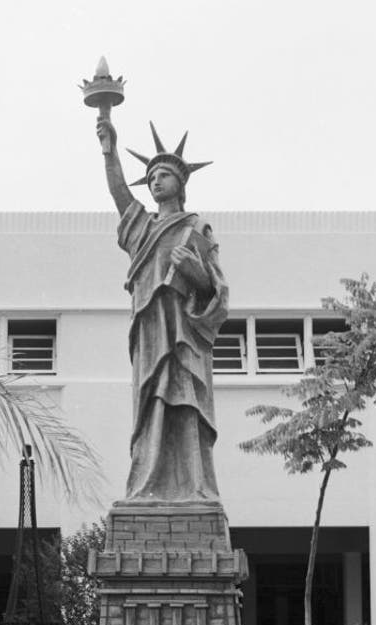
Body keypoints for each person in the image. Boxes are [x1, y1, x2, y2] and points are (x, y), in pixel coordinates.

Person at [96, 114, 229, 502]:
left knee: (186, 404)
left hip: (185, 332)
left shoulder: (196, 228)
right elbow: (120, 194)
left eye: (164, 174)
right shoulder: (143, 227)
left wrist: (195, 274)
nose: (156, 180)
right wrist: (109, 152)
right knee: (152, 404)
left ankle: (195, 488)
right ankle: (147, 485)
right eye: (152, 175)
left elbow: (217, 289)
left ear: (180, 184)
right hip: (151, 330)